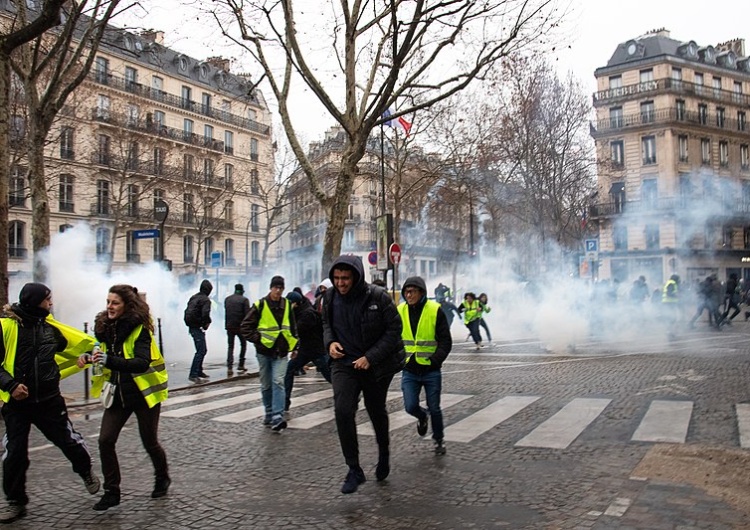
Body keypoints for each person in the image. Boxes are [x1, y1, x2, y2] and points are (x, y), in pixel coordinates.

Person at [0, 283, 101, 523]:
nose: (51, 303)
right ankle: (16, 502)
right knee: (14, 453)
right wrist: (11, 386)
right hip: (16, 405)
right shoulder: (6, 328)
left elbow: (75, 349)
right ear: (34, 302)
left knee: (69, 442)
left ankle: (85, 469)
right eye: (47, 300)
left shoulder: (51, 329)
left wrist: (86, 357)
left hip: (49, 401)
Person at [77, 284, 170, 511]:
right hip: (117, 393)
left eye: (115, 303)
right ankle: (112, 492)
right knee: (105, 440)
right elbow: (102, 353)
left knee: (150, 442)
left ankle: (162, 477)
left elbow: (140, 362)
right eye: (108, 302)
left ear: (127, 306)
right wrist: (88, 357)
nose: (109, 307)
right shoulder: (104, 328)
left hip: (143, 394)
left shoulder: (140, 330)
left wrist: (108, 360)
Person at [322, 255, 404, 494]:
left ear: (356, 277)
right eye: (336, 278)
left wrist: (371, 357)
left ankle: (384, 454)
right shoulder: (329, 297)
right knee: (342, 410)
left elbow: (394, 329)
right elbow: (326, 325)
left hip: (375, 365)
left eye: (345, 278)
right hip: (344, 363)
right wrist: (330, 343)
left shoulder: (377, 297)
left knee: (375, 410)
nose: (340, 283)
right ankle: (354, 468)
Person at [398, 276, 452, 455]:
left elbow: (445, 340)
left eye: (412, 291)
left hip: (430, 369)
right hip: (409, 369)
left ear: (421, 292)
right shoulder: (400, 310)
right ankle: (422, 417)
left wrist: (436, 359)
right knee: (410, 406)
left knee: (435, 407)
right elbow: (393, 337)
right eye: (406, 291)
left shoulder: (435, 310)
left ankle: (439, 440)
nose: (408, 295)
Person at [241, 275, 297, 432]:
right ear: (271, 288)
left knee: (278, 382)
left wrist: (296, 345)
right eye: (276, 288)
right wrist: (257, 338)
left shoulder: (287, 304)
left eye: (281, 288)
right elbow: (245, 326)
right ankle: (269, 412)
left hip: (281, 351)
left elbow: (292, 326)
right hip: (264, 351)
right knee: (266, 384)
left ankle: (277, 416)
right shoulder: (260, 305)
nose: (278, 291)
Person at [284, 291, 331, 412]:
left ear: (297, 303)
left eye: (291, 304)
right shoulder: (299, 312)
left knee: (330, 376)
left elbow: (297, 330)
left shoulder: (307, 314)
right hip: (305, 350)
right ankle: (285, 401)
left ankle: (349, 394)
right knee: (289, 370)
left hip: (316, 350)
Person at [184, 279, 213, 384]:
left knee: (201, 349)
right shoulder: (205, 300)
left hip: (192, 326)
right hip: (197, 326)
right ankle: (193, 374)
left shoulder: (194, 297)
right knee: (201, 350)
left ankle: (199, 371)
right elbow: (205, 314)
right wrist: (206, 323)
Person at [224, 283, 251, 373]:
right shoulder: (244, 300)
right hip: (240, 327)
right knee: (243, 344)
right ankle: (241, 364)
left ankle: (229, 366)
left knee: (230, 346)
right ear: (242, 291)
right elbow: (248, 315)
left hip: (229, 326)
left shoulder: (227, 299)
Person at [662, 274, 680, 340]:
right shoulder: (672, 283)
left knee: (671, 318)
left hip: (668, 303)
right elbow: (669, 293)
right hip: (669, 303)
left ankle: (670, 332)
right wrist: (676, 296)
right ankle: (669, 332)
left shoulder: (669, 283)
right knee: (672, 318)